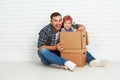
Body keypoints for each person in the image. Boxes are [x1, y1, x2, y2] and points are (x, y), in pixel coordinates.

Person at [37, 12, 107, 72]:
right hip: (48, 55)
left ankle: (92, 61)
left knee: (77, 47)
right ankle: (66, 63)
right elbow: (40, 48)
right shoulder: (45, 31)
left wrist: (81, 28)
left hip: (61, 52)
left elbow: (78, 25)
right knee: (42, 51)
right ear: (51, 21)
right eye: (55, 21)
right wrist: (56, 47)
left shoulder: (63, 26)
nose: (58, 23)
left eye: (60, 20)